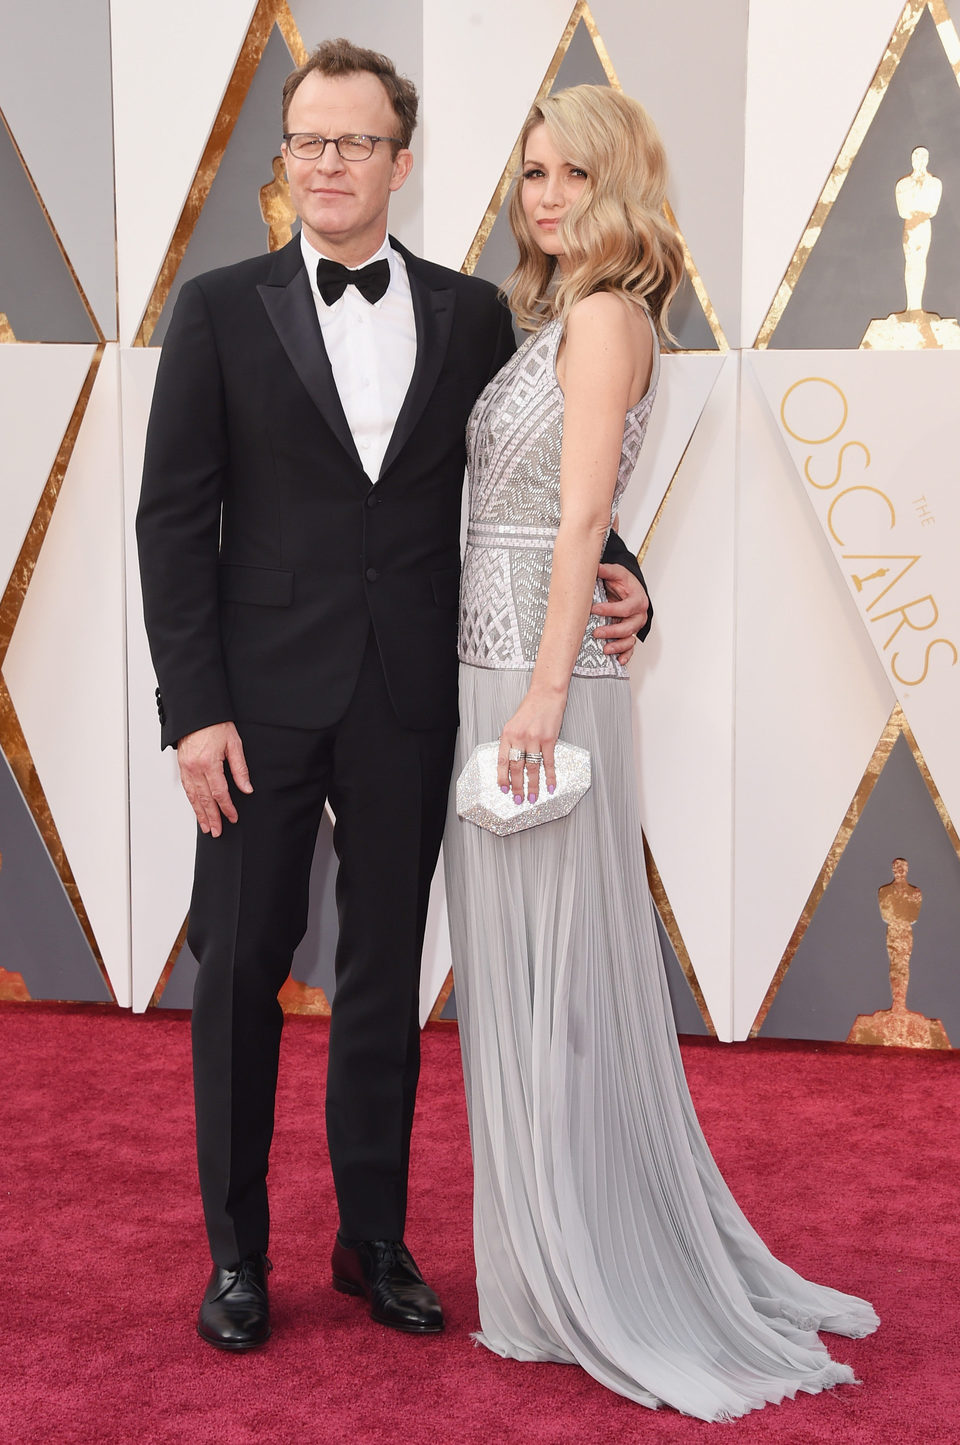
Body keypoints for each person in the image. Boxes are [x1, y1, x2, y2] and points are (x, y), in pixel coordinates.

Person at [136, 39, 652, 1353]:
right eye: (307, 138)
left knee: (381, 975)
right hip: (251, 709)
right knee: (242, 967)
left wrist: (627, 573)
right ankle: (239, 1256)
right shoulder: (216, 310)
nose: (326, 160)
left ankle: (372, 1238)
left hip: (412, 694)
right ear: (286, 157)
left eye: (354, 141)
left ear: (399, 163)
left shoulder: (475, 315)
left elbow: (539, 473)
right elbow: (171, 519)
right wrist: (191, 708)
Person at [444, 84, 879, 1422]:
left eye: (574, 172)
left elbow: (582, 523)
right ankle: (541, 1260)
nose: (548, 195)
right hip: (496, 667)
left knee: (557, 974)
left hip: (535, 683)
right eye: (531, 174)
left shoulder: (605, 317)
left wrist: (545, 694)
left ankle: (587, 1266)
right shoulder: (550, 318)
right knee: (519, 972)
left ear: (621, 180)